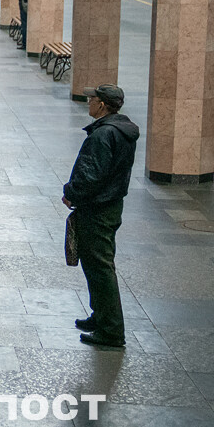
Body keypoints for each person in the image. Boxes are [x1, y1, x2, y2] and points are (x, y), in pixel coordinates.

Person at [63, 85, 139, 349]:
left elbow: (91, 174)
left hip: (97, 209)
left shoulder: (103, 135)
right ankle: (101, 316)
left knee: (100, 268)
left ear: (103, 105)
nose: (88, 102)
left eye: (92, 99)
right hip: (109, 206)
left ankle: (111, 330)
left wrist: (71, 193)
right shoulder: (120, 130)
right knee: (97, 266)